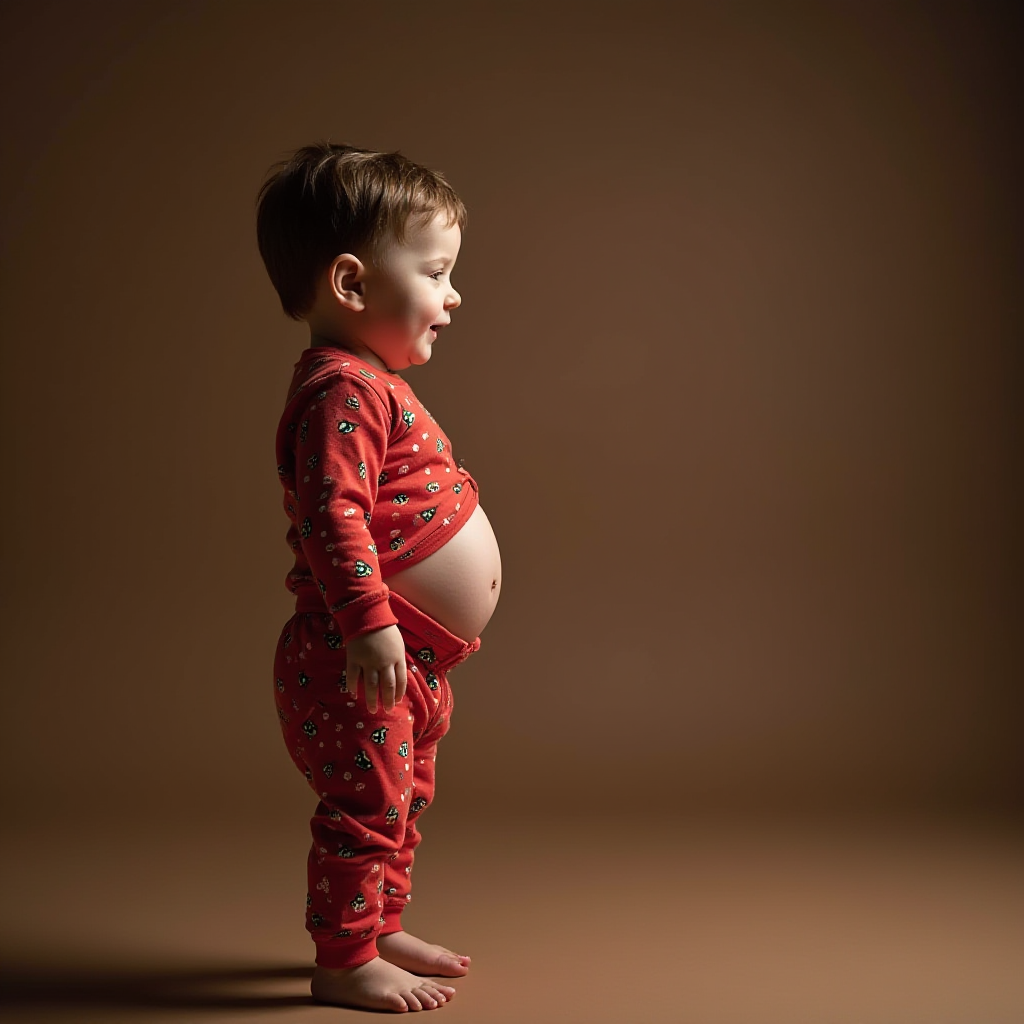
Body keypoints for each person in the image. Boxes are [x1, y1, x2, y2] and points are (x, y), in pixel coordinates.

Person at [256, 143, 501, 1012]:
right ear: (352, 284)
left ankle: (380, 927)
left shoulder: (368, 383)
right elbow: (333, 518)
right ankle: (344, 959)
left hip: (407, 657)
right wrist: (369, 622)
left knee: (399, 802)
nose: (453, 295)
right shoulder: (342, 391)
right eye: (435, 273)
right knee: (367, 805)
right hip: (359, 654)